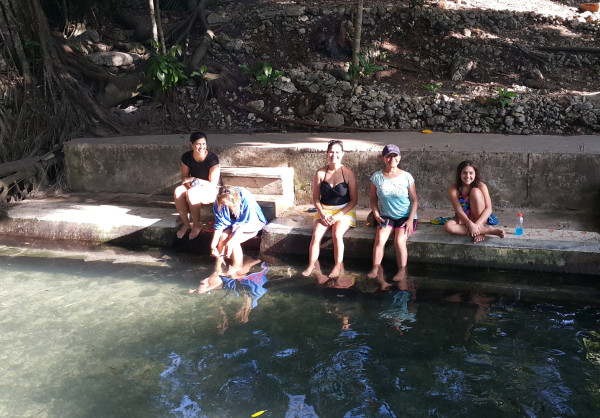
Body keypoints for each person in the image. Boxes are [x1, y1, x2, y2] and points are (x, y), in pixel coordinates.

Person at [302, 140, 358, 278]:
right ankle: (312, 265)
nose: (334, 155)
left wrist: (339, 215)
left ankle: (338, 265)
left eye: (337, 152)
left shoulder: (348, 173)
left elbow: (354, 200)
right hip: (325, 210)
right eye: (331, 152)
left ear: (342, 154)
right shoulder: (320, 173)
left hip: (345, 210)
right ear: (327, 154)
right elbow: (315, 198)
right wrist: (321, 213)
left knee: (337, 234)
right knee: (316, 235)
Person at [368, 144, 418, 281]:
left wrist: (410, 219)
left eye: (395, 156)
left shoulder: (407, 176)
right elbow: (373, 199)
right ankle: (375, 267)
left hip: (406, 216)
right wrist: (376, 214)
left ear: (399, 158)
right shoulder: (376, 177)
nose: (392, 159)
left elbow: (414, 200)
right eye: (388, 156)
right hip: (386, 215)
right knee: (380, 239)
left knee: (399, 241)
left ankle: (402, 270)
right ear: (383, 158)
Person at [211, 185, 267, 276]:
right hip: (233, 223)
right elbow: (219, 226)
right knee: (223, 236)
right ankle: (218, 265)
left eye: (229, 204)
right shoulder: (219, 201)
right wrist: (213, 246)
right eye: (225, 204)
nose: (227, 206)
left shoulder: (246, 198)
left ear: (235, 199)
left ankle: (237, 266)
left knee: (233, 239)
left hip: (251, 223)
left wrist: (232, 240)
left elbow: (246, 223)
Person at [444, 160, 505, 243]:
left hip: (480, 217)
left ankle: (479, 228)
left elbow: (488, 209)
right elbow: (459, 210)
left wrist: (477, 225)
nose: (468, 176)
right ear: (459, 174)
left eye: (471, 173)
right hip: (464, 217)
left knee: (475, 192)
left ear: (475, 174)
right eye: (464, 173)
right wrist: (470, 224)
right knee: (448, 227)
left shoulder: (481, 186)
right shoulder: (453, 189)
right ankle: (485, 231)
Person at [174, 132, 221, 240]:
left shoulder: (212, 158)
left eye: (204, 144)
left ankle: (196, 225)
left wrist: (194, 180)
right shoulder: (186, 157)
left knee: (191, 193)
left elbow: (212, 184)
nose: (202, 147)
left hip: (212, 190)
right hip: (195, 186)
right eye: (198, 144)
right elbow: (184, 179)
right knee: (178, 191)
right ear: (191, 144)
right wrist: (192, 184)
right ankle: (186, 224)